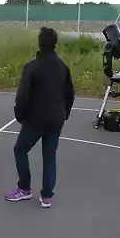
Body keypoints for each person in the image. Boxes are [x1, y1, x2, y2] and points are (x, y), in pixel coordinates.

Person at [5, 27, 75, 209]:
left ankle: (25, 188)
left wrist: (19, 115)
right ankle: (47, 196)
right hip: (56, 119)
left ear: (39, 43)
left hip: (35, 119)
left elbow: (23, 95)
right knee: (49, 156)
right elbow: (70, 94)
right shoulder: (63, 67)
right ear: (55, 44)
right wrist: (64, 113)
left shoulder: (32, 67)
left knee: (20, 150)